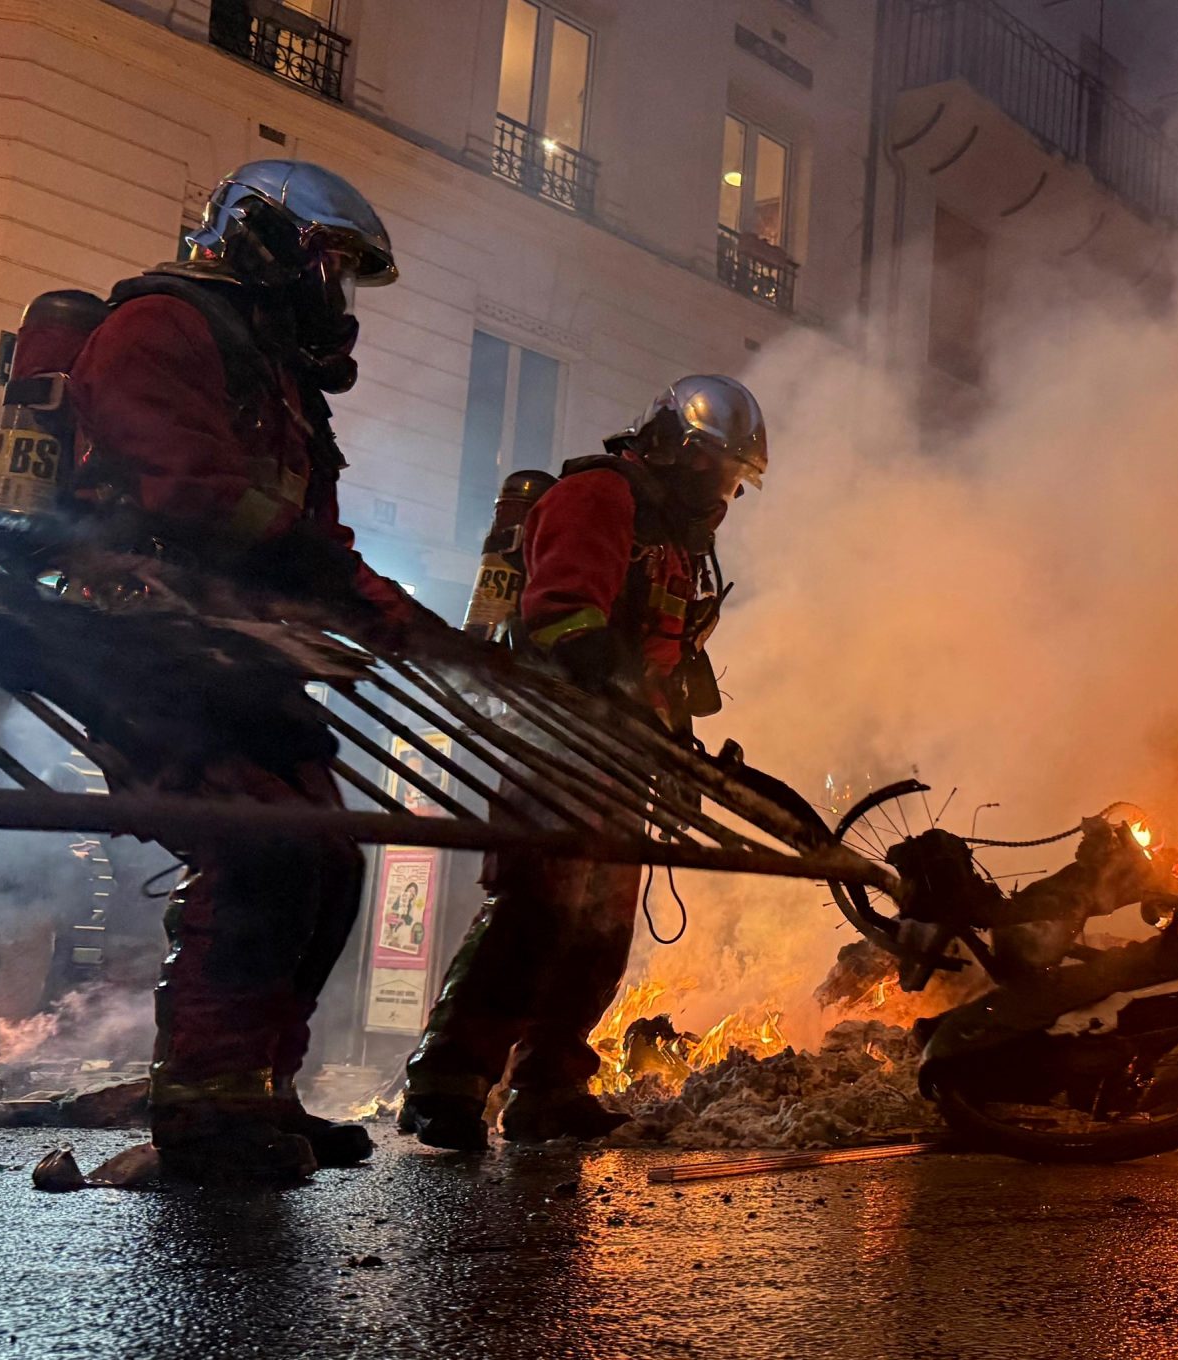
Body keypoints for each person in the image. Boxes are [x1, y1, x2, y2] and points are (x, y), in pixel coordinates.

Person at [69, 160, 432, 1184]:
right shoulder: (162, 327)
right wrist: (329, 577)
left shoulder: (276, 376)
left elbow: (307, 530)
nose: (337, 293)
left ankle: (263, 1088)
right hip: (144, 642)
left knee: (331, 862)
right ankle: (205, 1108)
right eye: (331, 263)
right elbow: (193, 491)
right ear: (263, 239)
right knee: (262, 849)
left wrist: (377, 607)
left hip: (237, 650)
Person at [401, 376, 766, 1149]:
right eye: (720, 471)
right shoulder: (600, 497)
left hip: (619, 754)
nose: (724, 493)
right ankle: (446, 1081)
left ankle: (548, 1087)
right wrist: (621, 695)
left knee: (600, 929)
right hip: (557, 741)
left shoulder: (672, 539)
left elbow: (663, 658)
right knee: (535, 909)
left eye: (735, 478)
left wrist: (669, 743)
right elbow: (563, 616)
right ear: (675, 449)